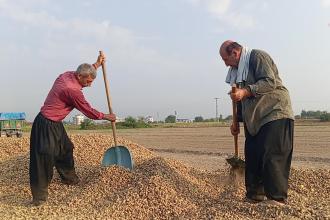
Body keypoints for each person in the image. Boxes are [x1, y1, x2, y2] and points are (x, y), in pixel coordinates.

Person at [29, 53, 116, 206]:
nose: (90, 85)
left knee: (65, 149)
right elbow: (88, 111)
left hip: (56, 123)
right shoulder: (72, 90)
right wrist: (106, 116)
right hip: (45, 124)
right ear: (80, 77)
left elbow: (86, 71)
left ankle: (69, 178)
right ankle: (39, 198)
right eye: (88, 81)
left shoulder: (68, 74)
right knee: (44, 158)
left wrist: (96, 64)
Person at [219, 40, 294, 205]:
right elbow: (240, 99)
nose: (225, 65)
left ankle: (276, 199)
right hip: (255, 117)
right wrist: (237, 121)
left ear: (235, 53)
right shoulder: (237, 72)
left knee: (271, 154)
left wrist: (245, 91)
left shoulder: (257, 57)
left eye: (225, 59)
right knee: (252, 154)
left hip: (274, 111)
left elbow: (269, 81)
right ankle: (255, 196)